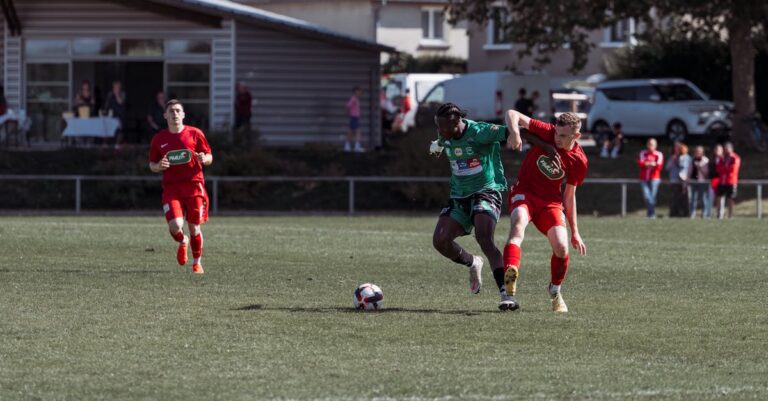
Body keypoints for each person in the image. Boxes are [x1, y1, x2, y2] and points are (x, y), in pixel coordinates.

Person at [429, 102, 521, 302]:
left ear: (457, 124)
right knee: (440, 241)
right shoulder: (445, 136)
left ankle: (506, 294)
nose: (440, 131)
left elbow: (511, 130)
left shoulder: (480, 132)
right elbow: (442, 143)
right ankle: (472, 262)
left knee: (484, 237)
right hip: (459, 196)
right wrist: (436, 146)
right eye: (438, 127)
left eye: (444, 128)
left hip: (487, 191)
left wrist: (523, 137)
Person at [500, 110, 588, 313]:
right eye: (557, 133)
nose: (557, 137)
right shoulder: (548, 132)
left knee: (562, 247)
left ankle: (555, 290)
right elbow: (512, 113)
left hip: (550, 202)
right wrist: (515, 132)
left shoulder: (579, 160)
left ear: (576, 136)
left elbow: (569, 195)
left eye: (564, 136)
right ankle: (509, 290)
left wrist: (575, 231)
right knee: (518, 225)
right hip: (524, 192)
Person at [148, 100, 213, 274]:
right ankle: (182, 241)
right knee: (175, 226)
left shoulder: (195, 133)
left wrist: (204, 159)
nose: (175, 114)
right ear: (165, 115)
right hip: (172, 189)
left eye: (178, 111)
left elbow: (209, 156)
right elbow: (152, 165)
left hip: (194, 187)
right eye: (171, 111)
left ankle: (197, 263)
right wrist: (159, 166)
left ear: (183, 115)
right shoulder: (159, 139)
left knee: (194, 227)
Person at [638, 138, 663, 218]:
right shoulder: (643, 153)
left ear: (655, 145)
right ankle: (651, 214)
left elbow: (659, 166)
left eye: (652, 144)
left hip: (654, 178)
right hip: (644, 178)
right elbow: (641, 163)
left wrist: (648, 164)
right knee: (647, 196)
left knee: (652, 197)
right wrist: (650, 164)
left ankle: (651, 214)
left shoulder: (658, 154)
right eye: (649, 144)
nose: (650, 146)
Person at [715, 142, 741, 219]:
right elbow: (718, 169)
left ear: (731, 149)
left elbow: (733, 169)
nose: (726, 151)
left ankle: (730, 215)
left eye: (728, 149)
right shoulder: (722, 158)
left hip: (731, 181)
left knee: (730, 198)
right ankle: (719, 214)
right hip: (722, 181)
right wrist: (725, 168)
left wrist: (725, 168)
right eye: (725, 149)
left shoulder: (735, 158)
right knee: (719, 197)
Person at [666, 142, 691, 217]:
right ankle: (673, 213)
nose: (677, 149)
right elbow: (667, 168)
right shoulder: (672, 157)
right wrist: (673, 160)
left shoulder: (687, 157)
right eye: (675, 148)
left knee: (684, 198)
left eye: (678, 148)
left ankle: (684, 213)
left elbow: (688, 168)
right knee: (674, 198)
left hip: (683, 181)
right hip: (674, 180)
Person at [687, 145, 711, 218]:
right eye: (696, 151)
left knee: (703, 198)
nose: (697, 153)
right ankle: (692, 214)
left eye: (699, 151)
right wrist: (687, 180)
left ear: (702, 152)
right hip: (693, 181)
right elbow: (689, 171)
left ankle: (704, 214)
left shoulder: (705, 160)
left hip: (702, 182)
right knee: (692, 199)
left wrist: (700, 168)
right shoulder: (692, 160)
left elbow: (707, 174)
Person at [104, 80, 126, 148]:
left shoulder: (123, 94)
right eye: (114, 87)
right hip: (111, 115)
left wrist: (116, 94)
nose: (115, 89)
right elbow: (107, 105)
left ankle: (117, 144)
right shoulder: (110, 94)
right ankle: (105, 144)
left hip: (119, 116)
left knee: (119, 128)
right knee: (105, 126)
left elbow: (120, 102)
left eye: (117, 87)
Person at [344, 86, 363, 152]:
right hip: (354, 117)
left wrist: (359, 113)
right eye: (359, 91)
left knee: (351, 132)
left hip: (355, 117)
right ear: (355, 92)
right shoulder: (353, 98)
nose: (360, 93)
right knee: (357, 131)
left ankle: (347, 146)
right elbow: (348, 105)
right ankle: (357, 147)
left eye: (360, 91)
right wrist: (347, 113)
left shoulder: (356, 99)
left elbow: (355, 108)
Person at [234, 81, 253, 146]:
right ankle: (237, 143)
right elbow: (237, 106)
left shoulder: (248, 96)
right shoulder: (238, 96)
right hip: (239, 115)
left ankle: (248, 144)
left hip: (246, 115)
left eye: (241, 88)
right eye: (239, 88)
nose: (240, 89)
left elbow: (247, 106)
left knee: (247, 130)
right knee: (237, 129)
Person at [710, 144, 724, 218]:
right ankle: (709, 214)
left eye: (719, 150)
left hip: (722, 181)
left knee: (720, 198)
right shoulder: (712, 159)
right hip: (714, 180)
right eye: (716, 150)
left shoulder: (724, 159)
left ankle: (720, 214)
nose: (717, 151)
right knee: (711, 197)